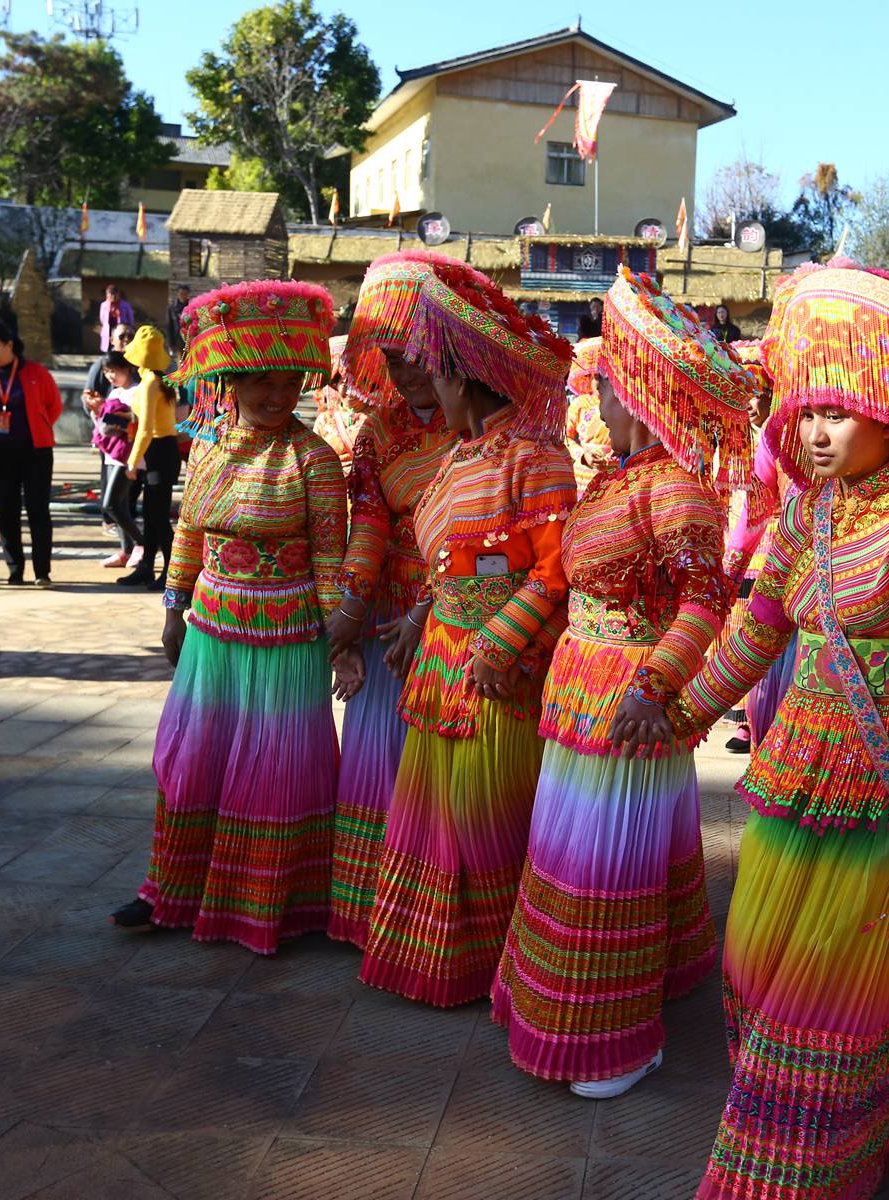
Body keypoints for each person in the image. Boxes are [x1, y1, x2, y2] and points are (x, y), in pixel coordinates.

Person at [665, 262, 889, 1200]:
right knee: (754, 957)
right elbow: (755, 632)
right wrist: (683, 710)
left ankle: (811, 1160)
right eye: (807, 412)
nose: (816, 432)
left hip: (882, 778)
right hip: (795, 771)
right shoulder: (800, 516)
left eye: (841, 413)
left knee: (833, 990)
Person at [492, 266, 753, 1098]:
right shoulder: (616, 480)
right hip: (582, 691)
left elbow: (706, 603)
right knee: (574, 856)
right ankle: (581, 1005)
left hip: (630, 704)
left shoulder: (677, 489)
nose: (594, 398)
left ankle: (618, 1035)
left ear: (641, 391)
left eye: (604, 384)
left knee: (608, 867)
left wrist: (655, 684)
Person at [351, 263, 576, 1007]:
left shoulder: (536, 458)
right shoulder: (455, 456)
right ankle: (432, 958)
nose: (427, 396)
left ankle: (489, 966)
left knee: (486, 816)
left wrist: (499, 645)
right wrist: (417, 620)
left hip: (497, 673)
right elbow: (448, 564)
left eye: (437, 380)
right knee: (431, 815)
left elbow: (550, 574)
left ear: (466, 379)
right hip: (441, 662)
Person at [109, 280, 349, 952]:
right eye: (262, 384)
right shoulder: (209, 450)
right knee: (193, 760)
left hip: (286, 638)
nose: (278, 397)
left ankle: (272, 903)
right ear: (233, 382)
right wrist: (171, 607)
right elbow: (188, 533)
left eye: (289, 384)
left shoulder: (314, 460)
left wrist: (341, 639)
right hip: (211, 632)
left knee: (274, 772)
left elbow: (330, 561)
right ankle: (170, 891)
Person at [322, 250, 463, 947]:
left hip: (464, 617)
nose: (406, 371)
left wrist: (434, 607)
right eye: (393, 357)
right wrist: (347, 623)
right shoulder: (377, 432)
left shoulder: (484, 426)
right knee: (381, 759)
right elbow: (368, 530)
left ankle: (437, 922)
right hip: (391, 616)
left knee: (445, 775)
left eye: (417, 354)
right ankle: (371, 914)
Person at [718, 339, 794, 754]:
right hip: (764, 549)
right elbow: (752, 501)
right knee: (755, 633)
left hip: (783, 547)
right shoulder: (762, 435)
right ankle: (752, 720)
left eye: (757, 394)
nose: (750, 403)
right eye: (743, 394)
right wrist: (733, 555)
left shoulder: (778, 430)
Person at [0, 321, 63, 587]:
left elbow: (53, 406)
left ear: (10, 345)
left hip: (36, 451)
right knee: (7, 511)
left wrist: (39, 425)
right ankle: (14, 570)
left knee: (37, 510)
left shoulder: (35, 372)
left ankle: (42, 571)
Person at [118, 324, 179, 589]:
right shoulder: (157, 381)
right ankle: (146, 568)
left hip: (158, 450)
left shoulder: (150, 385)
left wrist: (132, 461)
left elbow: (145, 428)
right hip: (163, 451)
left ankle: (171, 572)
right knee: (153, 514)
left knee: (157, 515)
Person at [91, 351, 141, 570]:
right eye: (107, 371)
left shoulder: (138, 391)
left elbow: (143, 422)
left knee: (111, 504)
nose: (110, 375)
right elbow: (103, 425)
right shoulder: (114, 393)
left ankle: (142, 543)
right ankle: (126, 550)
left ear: (127, 367)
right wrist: (97, 410)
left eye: (114, 370)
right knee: (120, 504)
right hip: (112, 452)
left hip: (128, 455)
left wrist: (127, 418)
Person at [562, 336, 615, 494]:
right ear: (588, 377)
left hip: (613, 469)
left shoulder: (619, 403)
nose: (598, 382)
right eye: (595, 377)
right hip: (583, 472)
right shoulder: (580, 403)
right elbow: (566, 437)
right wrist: (584, 455)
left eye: (603, 377)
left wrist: (613, 454)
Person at [97, 284, 134, 353]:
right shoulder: (104, 305)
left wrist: (127, 327)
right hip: (108, 330)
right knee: (108, 348)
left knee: (120, 346)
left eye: (113, 294)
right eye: (109, 294)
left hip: (120, 329)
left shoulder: (125, 305)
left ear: (118, 294)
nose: (112, 296)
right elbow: (102, 319)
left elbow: (130, 318)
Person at [165, 284, 192, 356]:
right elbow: (169, 326)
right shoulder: (172, 307)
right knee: (181, 362)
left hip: (190, 339)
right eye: (181, 294)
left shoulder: (192, 306)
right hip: (178, 340)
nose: (183, 296)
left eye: (185, 294)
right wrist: (170, 344)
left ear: (188, 294)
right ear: (178, 294)